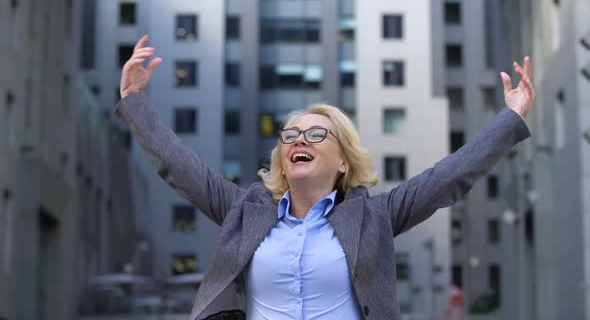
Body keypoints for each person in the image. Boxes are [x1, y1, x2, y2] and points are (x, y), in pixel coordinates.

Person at [115, 35, 535, 320]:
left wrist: (510, 118)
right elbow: (180, 167)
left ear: (343, 161)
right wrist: (134, 102)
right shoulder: (244, 211)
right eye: (292, 135)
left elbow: (450, 176)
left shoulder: (375, 215)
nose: (301, 139)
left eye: (317, 134)